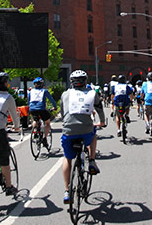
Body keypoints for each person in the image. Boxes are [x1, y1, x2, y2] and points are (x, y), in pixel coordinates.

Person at [60, 70, 105, 204]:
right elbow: (99, 108)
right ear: (85, 81)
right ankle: (91, 161)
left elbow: (63, 112)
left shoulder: (65, 94)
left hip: (69, 129)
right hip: (86, 129)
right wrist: (102, 121)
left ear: (71, 82)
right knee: (93, 136)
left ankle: (67, 191)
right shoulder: (93, 93)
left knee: (67, 159)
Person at [28, 77, 57, 149]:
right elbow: (51, 99)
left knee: (35, 120)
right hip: (41, 109)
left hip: (32, 109)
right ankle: (44, 138)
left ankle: (35, 131)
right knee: (47, 123)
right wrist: (55, 107)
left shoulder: (31, 91)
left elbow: (29, 101)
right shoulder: (44, 91)